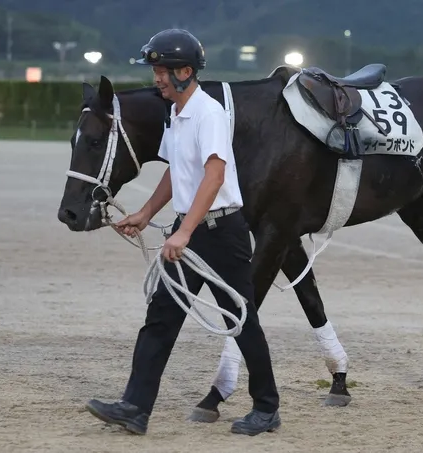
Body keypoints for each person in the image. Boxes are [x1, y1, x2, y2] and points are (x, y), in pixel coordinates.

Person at [84, 28, 281, 436]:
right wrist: (145, 212)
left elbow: (215, 173)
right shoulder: (175, 113)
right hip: (190, 229)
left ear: (186, 72)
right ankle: (135, 408)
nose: (156, 78)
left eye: (162, 70)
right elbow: (179, 171)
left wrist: (185, 231)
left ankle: (267, 407)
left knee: (242, 320)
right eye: (155, 70)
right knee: (160, 317)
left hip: (220, 231)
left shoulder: (208, 113)